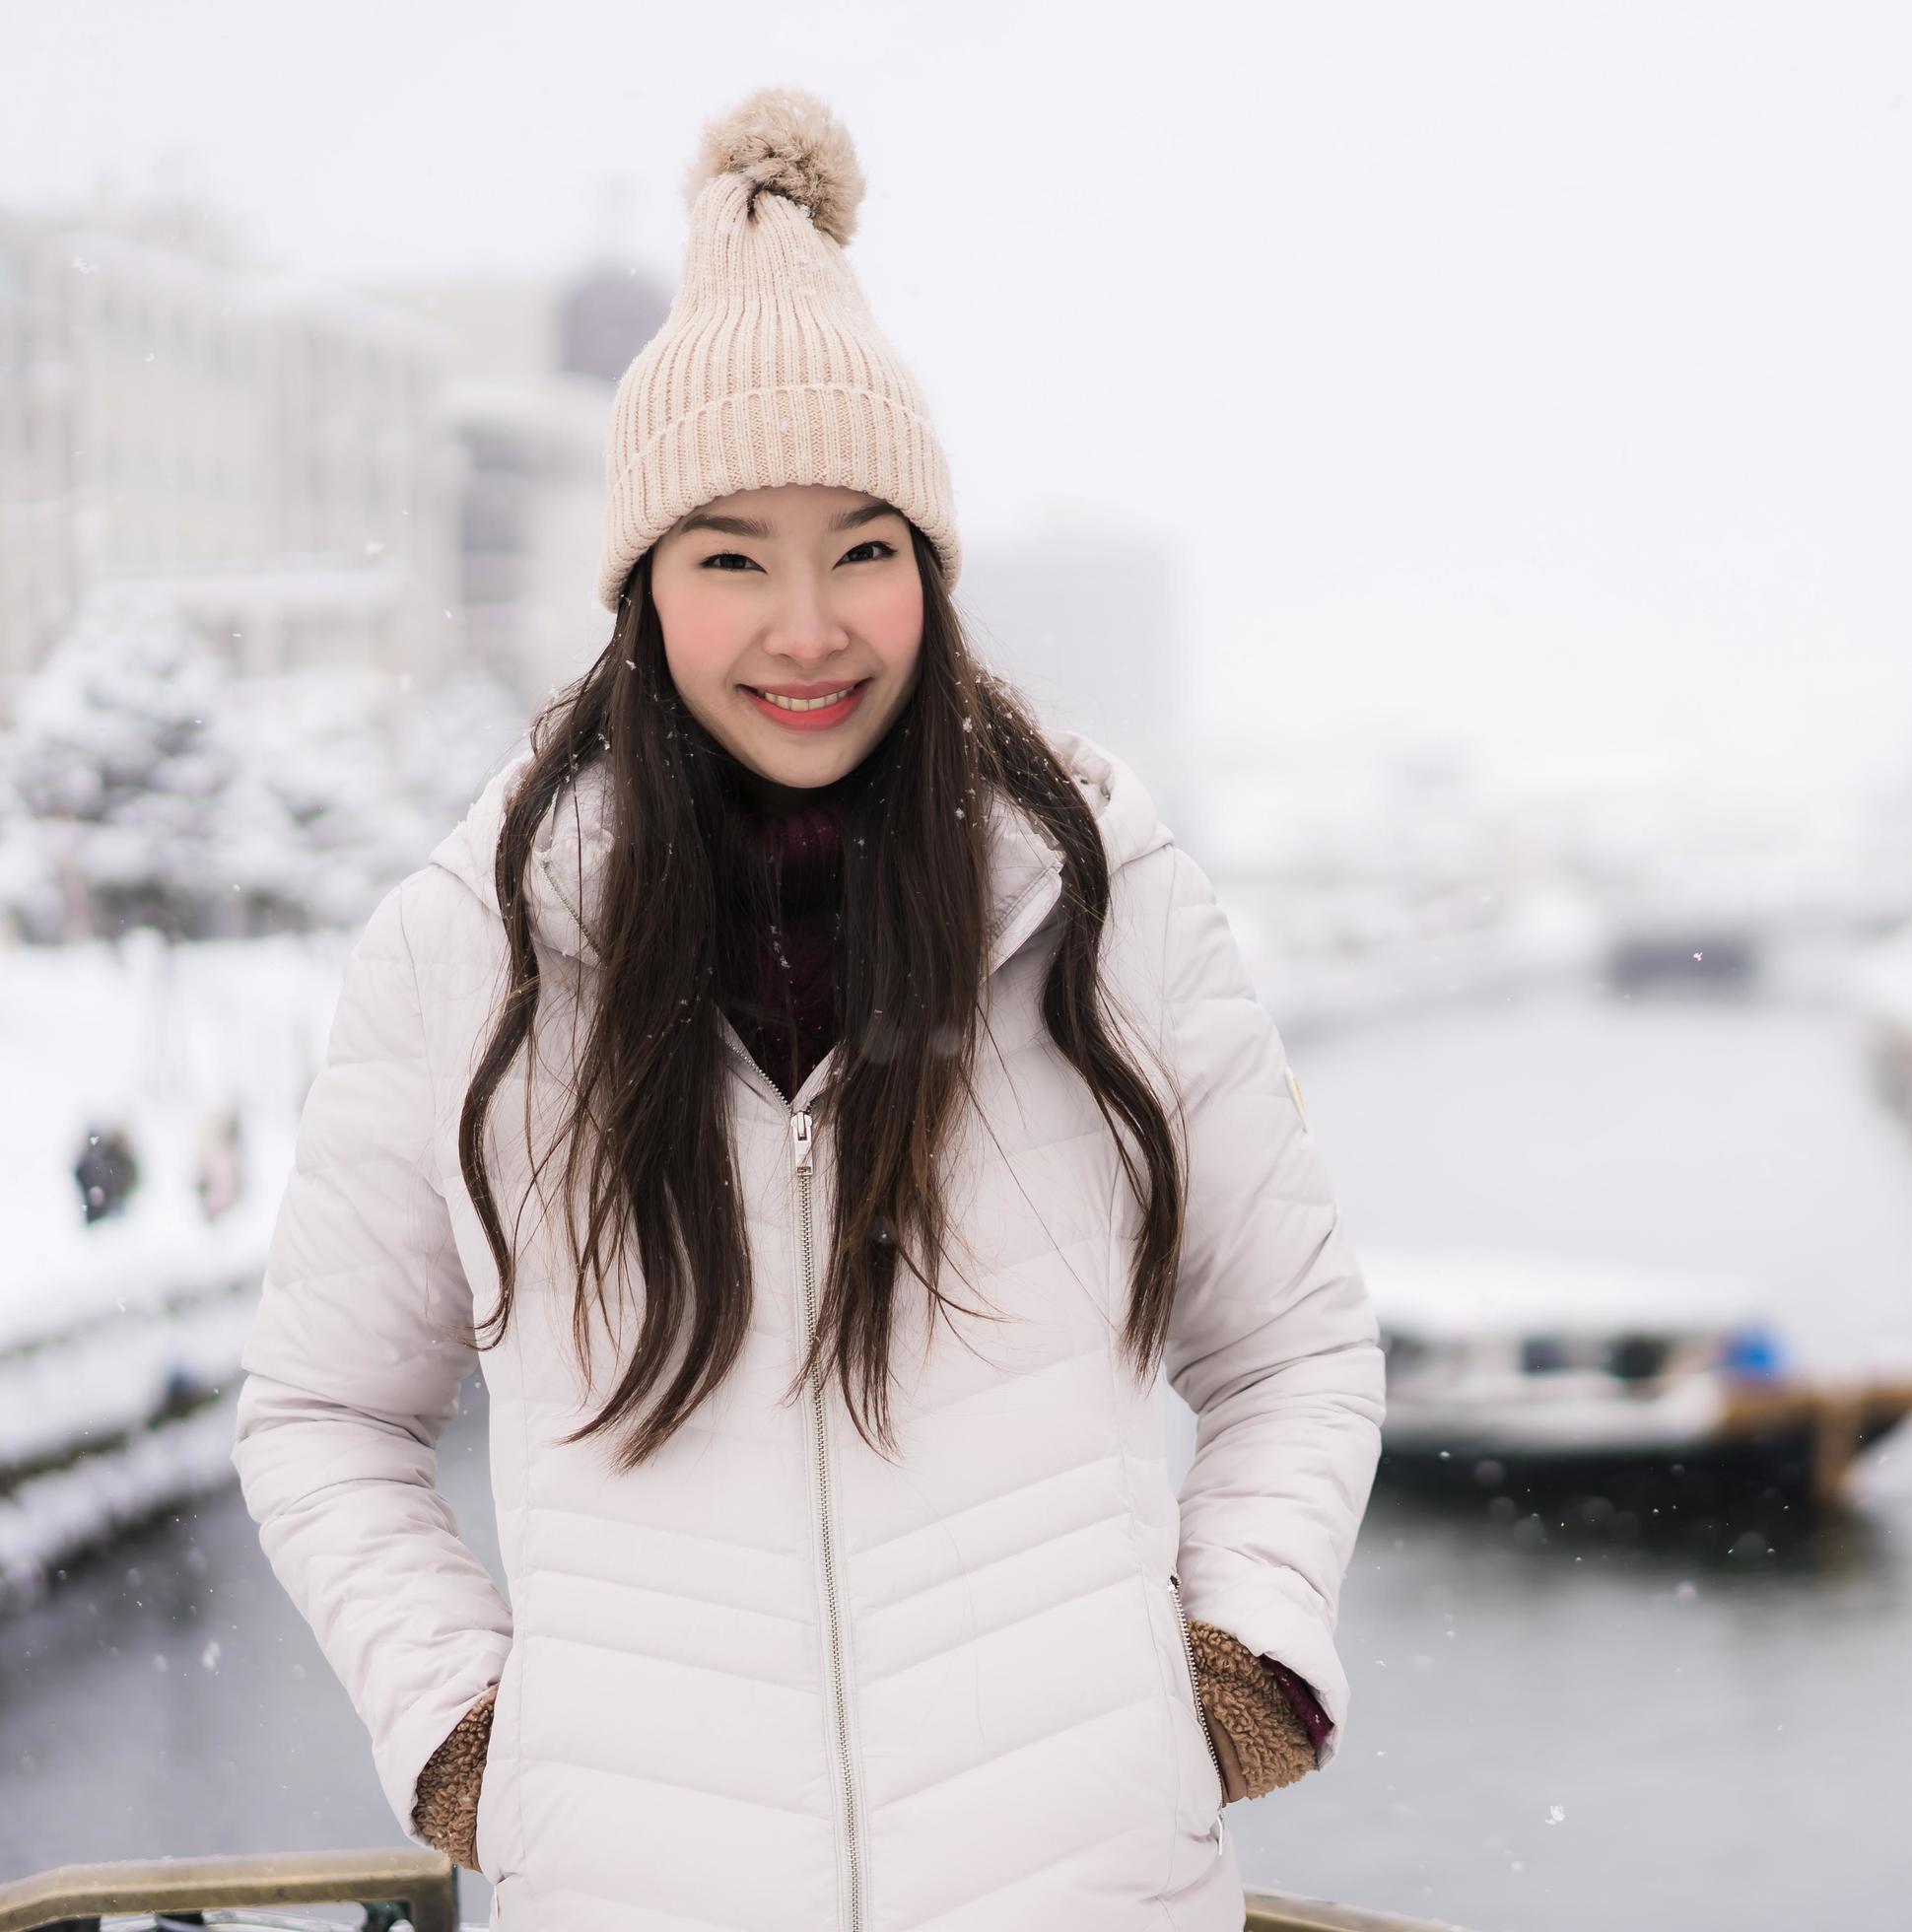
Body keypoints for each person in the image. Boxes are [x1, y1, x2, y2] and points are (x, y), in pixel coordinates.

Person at [232, 88, 1384, 1932]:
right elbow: (320, 1416)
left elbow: (1294, 1350)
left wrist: (1235, 1646)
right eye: (729, 557)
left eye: (862, 546)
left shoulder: (1097, 896)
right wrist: (467, 1737)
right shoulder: (477, 943)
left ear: (928, 564)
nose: (808, 626)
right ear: (640, 591)